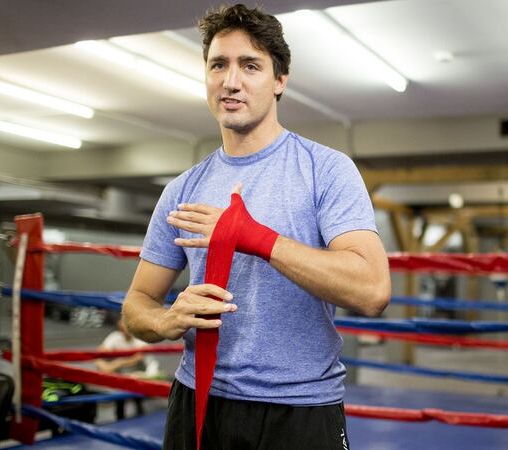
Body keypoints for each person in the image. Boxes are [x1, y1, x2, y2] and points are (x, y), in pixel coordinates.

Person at [122, 4, 390, 449]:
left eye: (250, 66)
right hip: (198, 399)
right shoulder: (183, 190)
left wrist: (258, 239)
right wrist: (166, 319)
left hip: (299, 410)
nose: (231, 81)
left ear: (279, 81)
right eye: (218, 65)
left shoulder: (325, 170)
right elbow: (136, 303)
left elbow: (373, 290)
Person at [95, 319, 160, 419]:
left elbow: (138, 358)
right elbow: (99, 353)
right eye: (122, 328)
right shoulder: (115, 337)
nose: (124, 330)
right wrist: (106, 367)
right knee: (120, 391)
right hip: (125, 374)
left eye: (127, 327)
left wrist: (118, 363)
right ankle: (121, 416)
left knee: (135, 391)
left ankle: (140, 413)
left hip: (145, 372)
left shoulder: (139, 338)